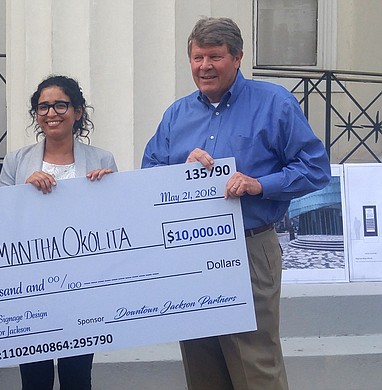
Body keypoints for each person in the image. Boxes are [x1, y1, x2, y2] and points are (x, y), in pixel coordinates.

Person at [142, 17, 331, 390]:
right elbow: (149, 175)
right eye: (197, 57)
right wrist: (180, 171)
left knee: (254, 361)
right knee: (200, 360)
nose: (204, 66)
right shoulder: (176, 115)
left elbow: (315, 168)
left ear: (238, 57)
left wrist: (259, 184)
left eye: (215, 56)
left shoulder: (274, 103)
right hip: (189, 252)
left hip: (249, 246)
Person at [0, 75, 117, 389]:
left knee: (77, 377)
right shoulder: (16, 162)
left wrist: (108, 190)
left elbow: (116, 223)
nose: (52, 113)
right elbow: (0, 221)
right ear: (36, 115)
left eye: (61, 105)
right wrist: (22, 192)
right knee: (34, 378)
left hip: (82, 285)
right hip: (30, 286)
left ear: (77, 112)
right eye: (44, 107)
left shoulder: (102, 160)